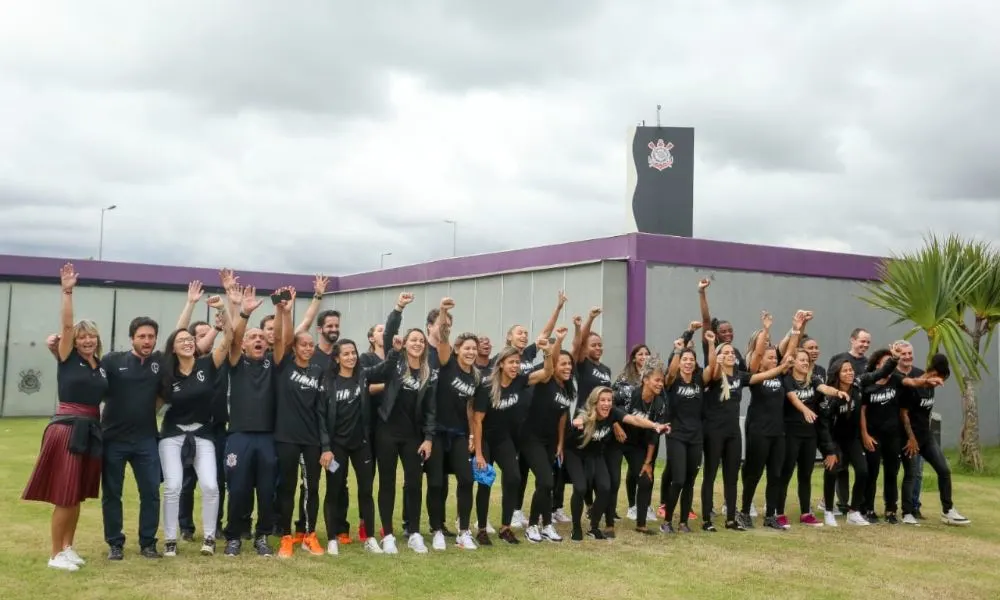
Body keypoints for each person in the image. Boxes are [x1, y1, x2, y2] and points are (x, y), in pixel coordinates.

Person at [23, 264, 108, 571]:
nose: (86, 341)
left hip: (90, 428)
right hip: (67, 428)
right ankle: (55, 554)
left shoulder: (99, 364)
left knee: (78, 494)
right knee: (65, 494)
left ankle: (68, 547)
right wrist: (68, 291)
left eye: (91, 337)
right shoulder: (66, 355)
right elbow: (67, 324)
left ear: (97, 339)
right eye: (81, 337)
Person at [157, 291, 237, 557]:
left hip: (203, 434)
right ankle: (170, 539)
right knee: (173, 486)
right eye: (181, 341)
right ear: (173, 347)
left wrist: (223, 309)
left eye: (190, 340)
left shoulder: (207, 365)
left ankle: (210, 538)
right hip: (172, 435)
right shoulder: (168, 371)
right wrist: (190, 303)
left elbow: (228, 339)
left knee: (211, 486)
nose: (187, 343)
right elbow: (154, 406)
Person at [318, 333, 402, 555]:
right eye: (345, 354)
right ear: (337, 358)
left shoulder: (363, 376)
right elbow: (321, 417)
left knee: (366, 490)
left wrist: (394, 351)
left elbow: (384, 369)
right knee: (334, 490)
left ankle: (371, 537)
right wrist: (326, 448)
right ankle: (332, 538)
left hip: (361, 444)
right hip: (337, 447)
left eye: (353, 353)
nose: (351, 357)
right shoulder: (328, 382)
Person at [472, 338, 554, 545]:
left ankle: (505, 527)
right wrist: (479, 454)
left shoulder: (519, 381)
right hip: (486, 440)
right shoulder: (487, 386)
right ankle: (481, 528)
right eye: (511, 362)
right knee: (485, 482)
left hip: (503, 439)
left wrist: (547, 354)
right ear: (501, 364)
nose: (515, 366)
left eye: (517, 362)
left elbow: (546, 373)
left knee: (514, 478)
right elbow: (477, 421)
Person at [222, 284, 281, 557]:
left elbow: (283, 338)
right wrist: (242, 313)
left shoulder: (273, 363)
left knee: (267, 490)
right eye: (252, 337)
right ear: (244, 343)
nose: (258, 340)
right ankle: (233, 535)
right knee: (238, 488)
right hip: (239, 436)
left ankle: (262, 536)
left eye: (262, 337)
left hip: (268, 437)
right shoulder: (235, 362)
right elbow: (232, 339)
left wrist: (281, 309)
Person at [376, 293, 437, 554]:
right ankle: (387, 534)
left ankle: (413, 532)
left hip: (413, 436)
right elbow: (390, 332)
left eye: (421, 341)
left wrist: (429, 438)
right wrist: (399, 308)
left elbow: (431, 410)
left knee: (414, 482)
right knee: (387, 482)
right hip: (387, 432)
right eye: (413, 340)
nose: (417, 344)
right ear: (406, 343)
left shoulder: (428, 373)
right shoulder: (396, 363)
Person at [425, 298, 488, 549]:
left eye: (474, 349)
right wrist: (443, 311)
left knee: (466, 480)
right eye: (467, 348)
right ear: (458, 349)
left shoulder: (477, 377)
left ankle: (463, 532)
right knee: (437, 482)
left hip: (460, 434)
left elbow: (474, 413)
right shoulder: (447, 362)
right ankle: (437, 530)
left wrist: (475, 442)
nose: (471, 352)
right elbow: (441, 337)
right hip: (437, 432)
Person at [566, 386, 668, 540]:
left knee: (606, 488)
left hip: (595, 455)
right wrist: (577, 423)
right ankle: (576, 529)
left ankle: (593, 527)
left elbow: (633, 419)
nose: (607, 404)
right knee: (580, 488)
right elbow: (575, 424)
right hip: (576, 454)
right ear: (594, 402)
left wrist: (655, 425)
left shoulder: (613, 413)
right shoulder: (585, 416)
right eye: (603, 400)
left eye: (609, 400)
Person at [270, 288, 327, 558]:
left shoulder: (318, 371)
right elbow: (282, 336)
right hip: (286, 437)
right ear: (295, 347)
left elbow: (321, 409)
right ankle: (285, 536)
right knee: (287, 487)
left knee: (311, 487)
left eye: (311, 345)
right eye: (303, 344)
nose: (307, 348)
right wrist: (286, 310)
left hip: (311, 439)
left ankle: (309, 533)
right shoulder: (283, 364)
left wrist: (324, 442)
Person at [859, 347, 943, 524]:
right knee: (872, 473)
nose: (890, 367)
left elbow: (912, 383)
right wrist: (865, 434)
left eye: (892, 362)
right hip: (873, 436)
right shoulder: (867, 382)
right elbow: (862, 411)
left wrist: (929, 380)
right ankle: (868, 508)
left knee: (892, 472)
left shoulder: (896, 379)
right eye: (886, 363)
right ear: (877, 365)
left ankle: (891, 510)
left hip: (893, 435)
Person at [818, 354, 902, 526]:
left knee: (863, 471)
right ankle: (828, 511)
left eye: (851, 370)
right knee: (832, 471)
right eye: (845, 371)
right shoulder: (831, 395)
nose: (850, 373)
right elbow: (824, 425)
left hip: (852, 439)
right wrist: (829, 451)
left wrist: (893, 359)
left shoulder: (857, 383)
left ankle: (854, 511)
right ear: (837, 374)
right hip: (834, 441)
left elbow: (878, 374)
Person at [737, 311, 797, 530]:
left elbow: (789, 351)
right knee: (754, 472)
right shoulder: (753, 375)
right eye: (769, 357)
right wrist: (766, 330)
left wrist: (797, 329)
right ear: (760, 359)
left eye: (775, 357)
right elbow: (759, 352)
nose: (774, 360)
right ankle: (744, 512)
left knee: (776, 474)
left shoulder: (780, 374)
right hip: (758, 430)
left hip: (777, 431)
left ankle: (770, 515)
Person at [779, 343, 849, 528]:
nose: (805, 363)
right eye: (801, 360)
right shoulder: (787, 379)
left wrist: (837, 392)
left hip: (809, 435)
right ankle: (778, 513)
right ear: (793, 362)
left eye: (807, 360)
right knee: (786, 473)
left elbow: (824, 388)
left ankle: (805, 513)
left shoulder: (814, 379)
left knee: (806, 474)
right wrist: (804, 410)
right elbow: (793, 398)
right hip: (791, 433)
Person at [899, 351, 970, 526]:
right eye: (941, 379)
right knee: (912, 474)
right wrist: (911, 438)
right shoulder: (916, 385)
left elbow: (926, 413)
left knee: (944, 470)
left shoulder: (932, 389)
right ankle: (907, 512)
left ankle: (948, 511)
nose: (941, 384)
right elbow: (904, 413)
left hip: (926, 436)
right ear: (933, 373)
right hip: (910, 438)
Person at [659, 330, 717, 534]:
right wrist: (677, 349)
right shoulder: (672, 382)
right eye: (685, 359)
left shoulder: (699, 380)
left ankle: (683, 522)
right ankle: (666, 521)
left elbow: (713, 367)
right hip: (677, 436)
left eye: (691, 359)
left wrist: (711, 344)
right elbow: (672, 370)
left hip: (696, 436)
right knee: (678, 479)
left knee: (690, 481)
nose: (688, 363)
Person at [615, 356, 667, 534]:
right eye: (657, 380)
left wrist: (648, 463)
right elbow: (608, 405)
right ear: (645, 379)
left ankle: (641, 523)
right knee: (611, 480)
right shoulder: (629, 394)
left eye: (662, 380)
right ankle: (606, 522)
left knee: (645, 480)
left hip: (637, 446)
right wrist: (615, 425)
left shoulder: (659, 404)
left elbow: (655, 435)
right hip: (617, 440)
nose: (661, 384)